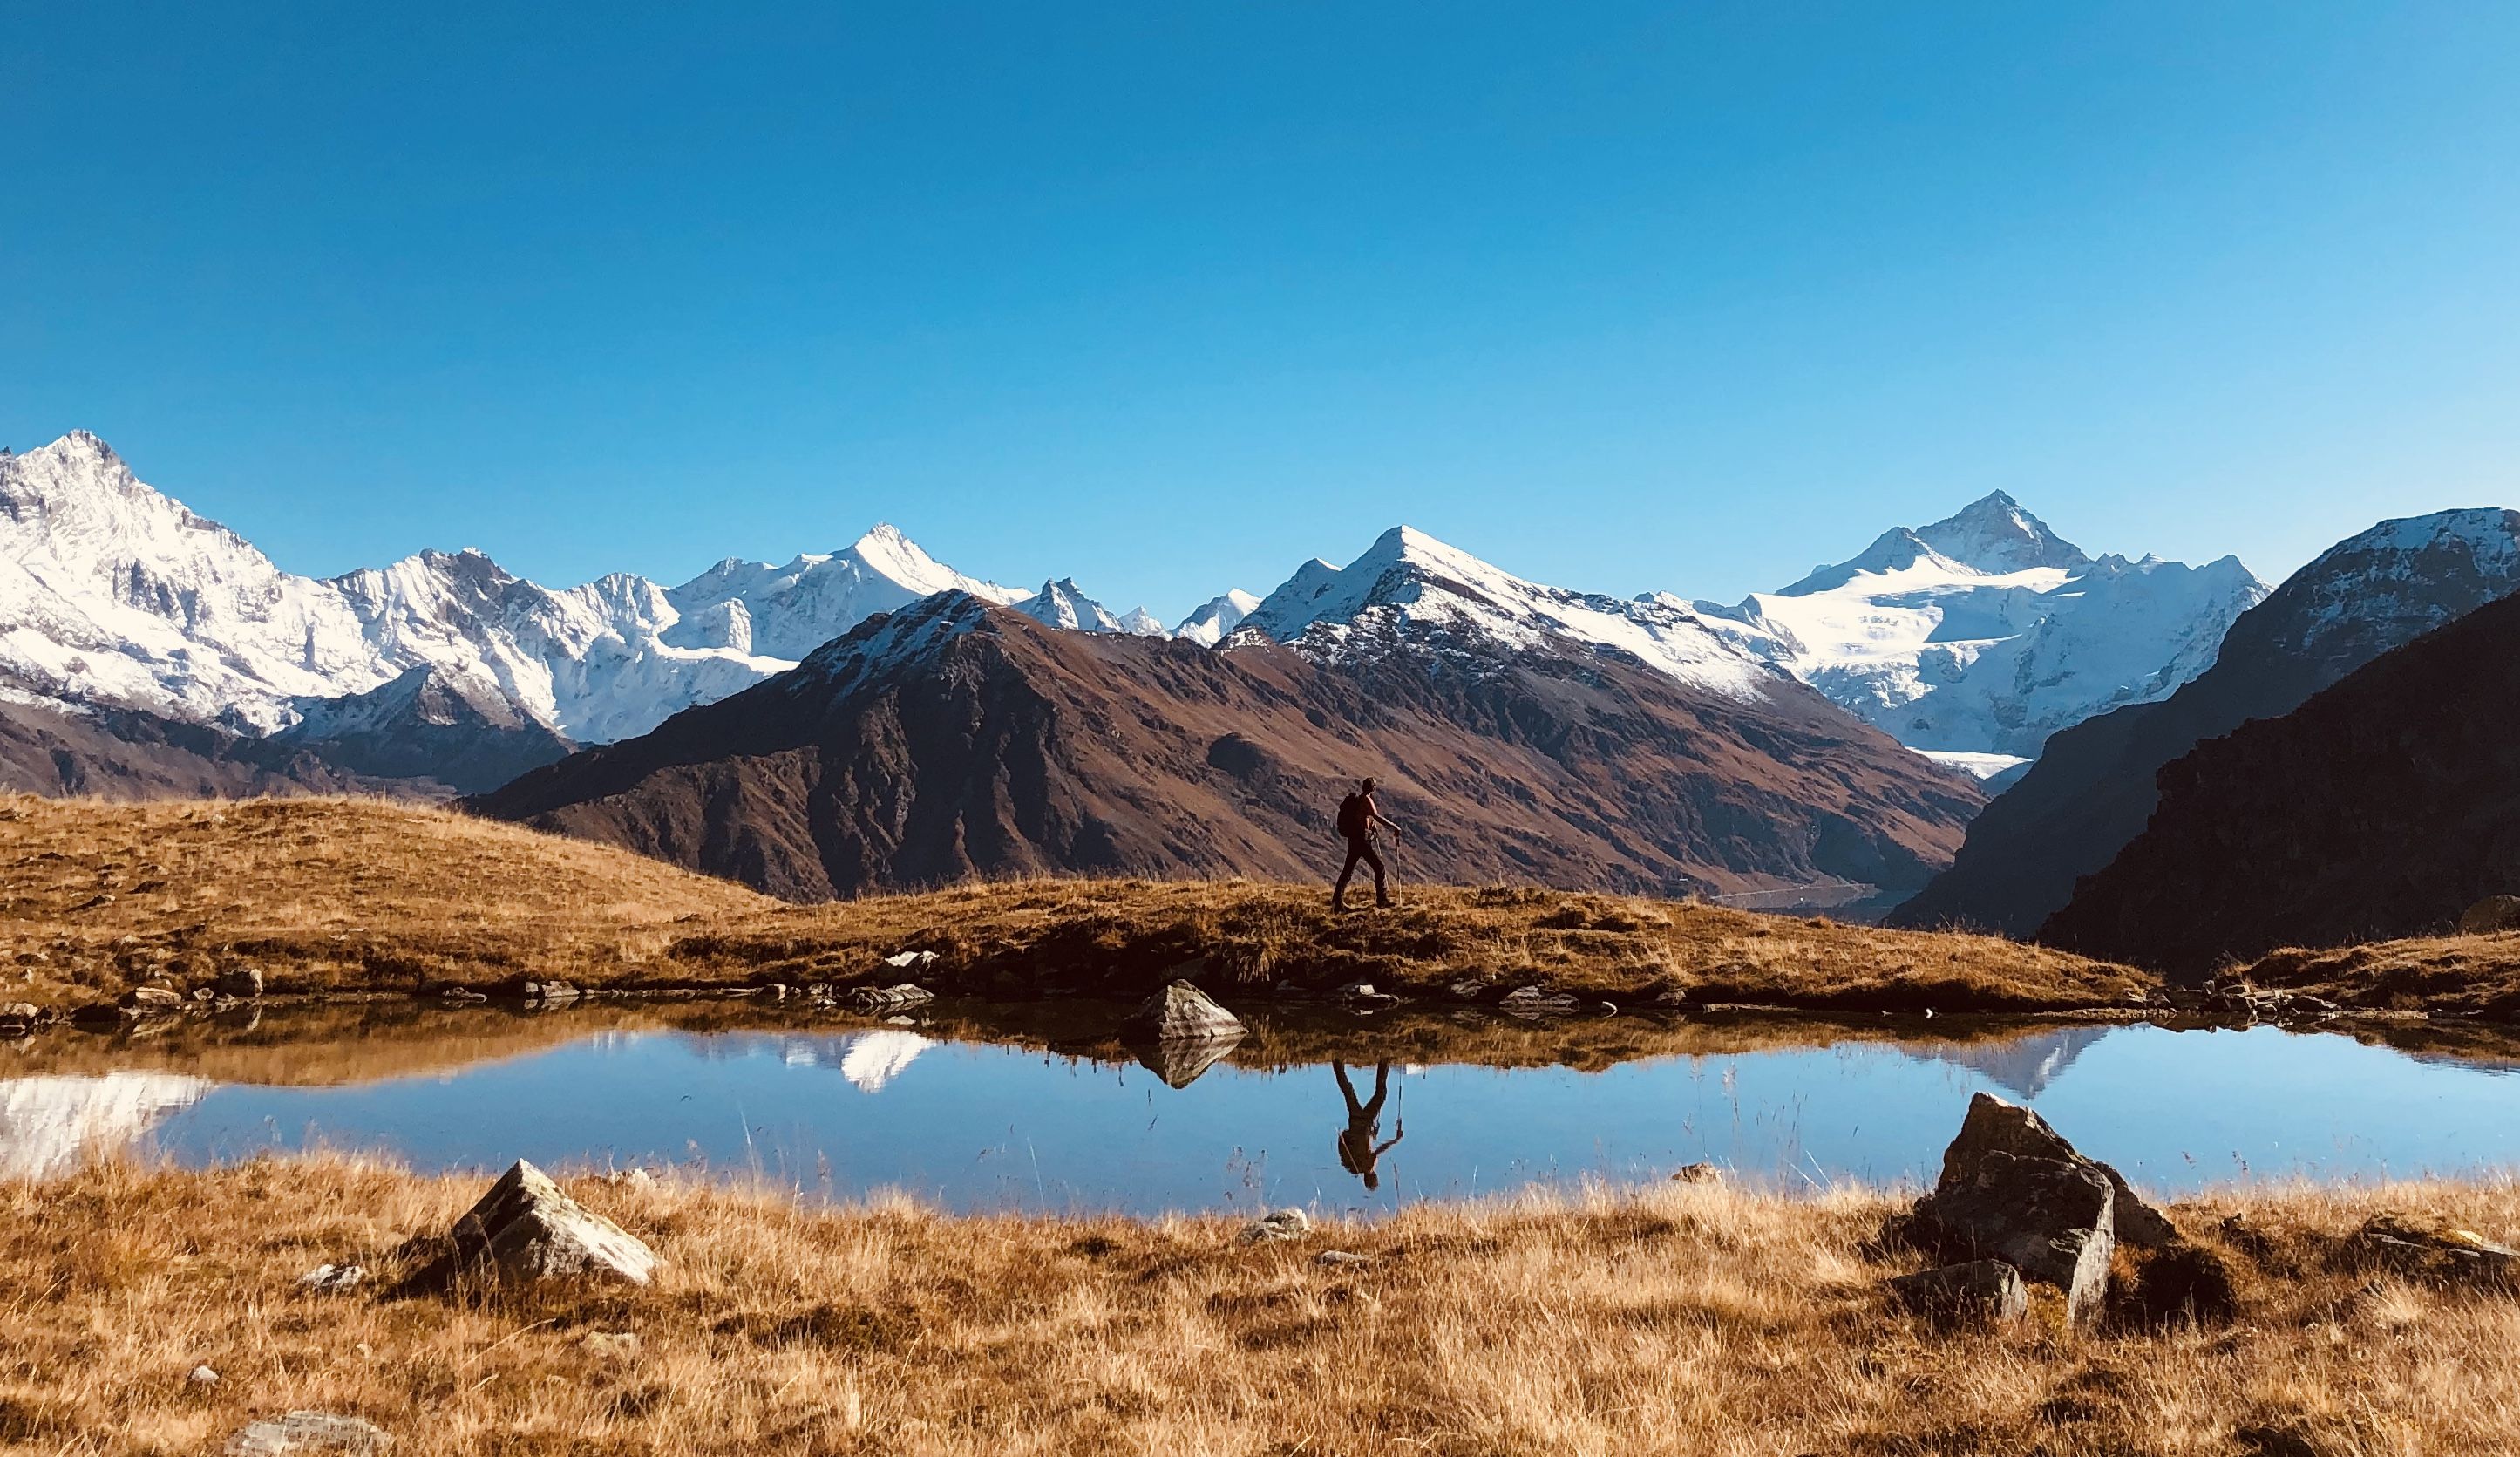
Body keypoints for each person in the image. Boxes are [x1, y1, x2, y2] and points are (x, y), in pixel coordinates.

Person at [1331, 776, 1403, 911]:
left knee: (1348, 871)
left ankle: (1337, 902)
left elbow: (1365, 818)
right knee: (1379, 867)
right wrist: (1394, 827)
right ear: (1373, 788)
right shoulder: (1366, 800)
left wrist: (1371, 827)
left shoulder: (1359, 801)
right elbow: (1376, 816)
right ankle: (1382, 900)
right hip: (1362, 842)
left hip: (1354, 841)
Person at [1332, 1059, 1404, 1191]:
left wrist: (1395, 1139)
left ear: (1373, 1177)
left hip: (1364, 1123)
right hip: (1355, 1123)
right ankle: (1338, 1065)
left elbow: (1379, 1150)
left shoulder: (1368, 1167)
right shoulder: (1353, 1167)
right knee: (1349, 1092)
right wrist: (1371, 1135)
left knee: (1380, 1094)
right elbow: (1360, 1145)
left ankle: (1383, 1061)